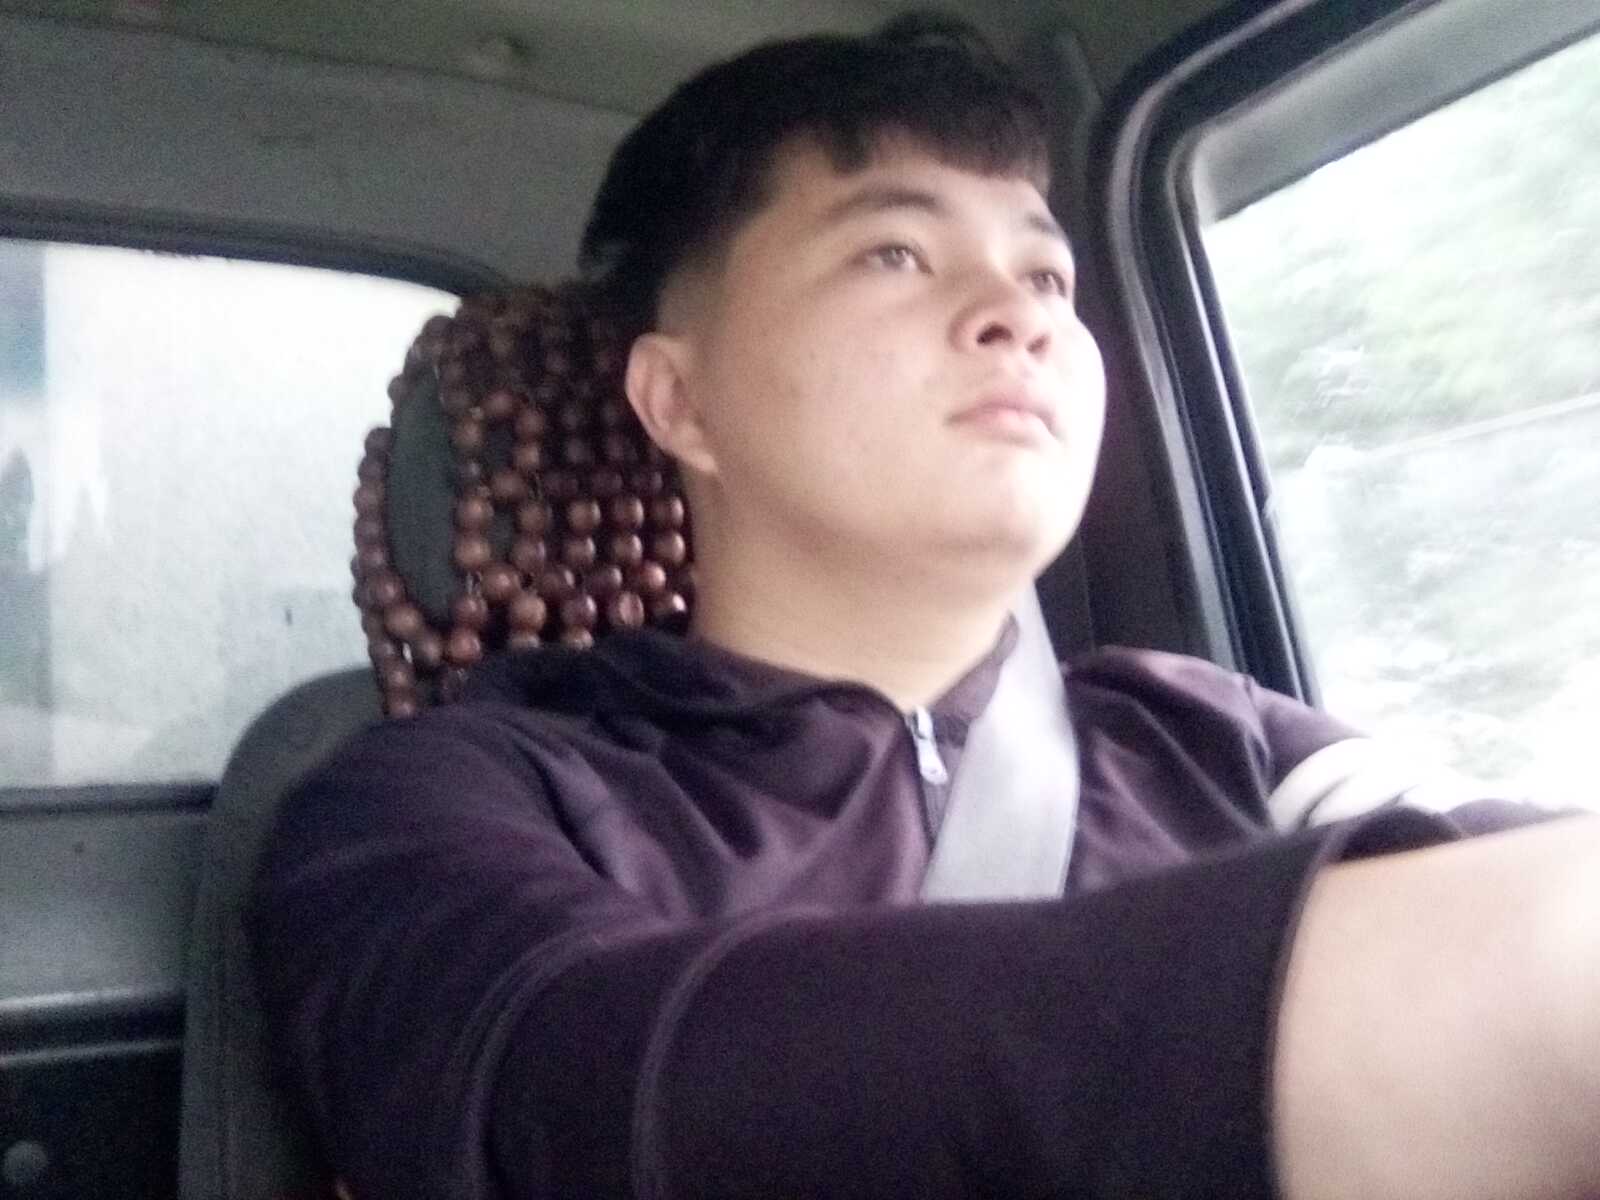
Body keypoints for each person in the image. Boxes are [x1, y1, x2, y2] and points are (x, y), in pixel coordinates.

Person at [246, 15, 1600, 1200]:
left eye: (1048, 275)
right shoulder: (434, 798)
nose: (1019, 313)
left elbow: (1487, 858)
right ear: (681, 400)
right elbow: (549, 1093)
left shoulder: (1224, 735)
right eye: (895, 252)